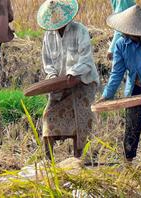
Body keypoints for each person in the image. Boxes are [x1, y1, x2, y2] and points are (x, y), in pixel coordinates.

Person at [99, 5, 141, 162]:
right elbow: (117, 73)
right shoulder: (121, 44)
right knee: (132, 126)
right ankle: (128, 161)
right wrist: (107, 95)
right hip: (134, 87)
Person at [37, 0, 99, 159]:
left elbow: (85, 59)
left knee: (80, 122)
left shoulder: (80, 31)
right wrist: (52, 78)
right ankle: (48, 163)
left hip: (82, 82)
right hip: (59, 85)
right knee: (49, 117)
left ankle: (78, 161)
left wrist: (72, 73)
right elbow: (48, 63)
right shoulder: (49, 36)